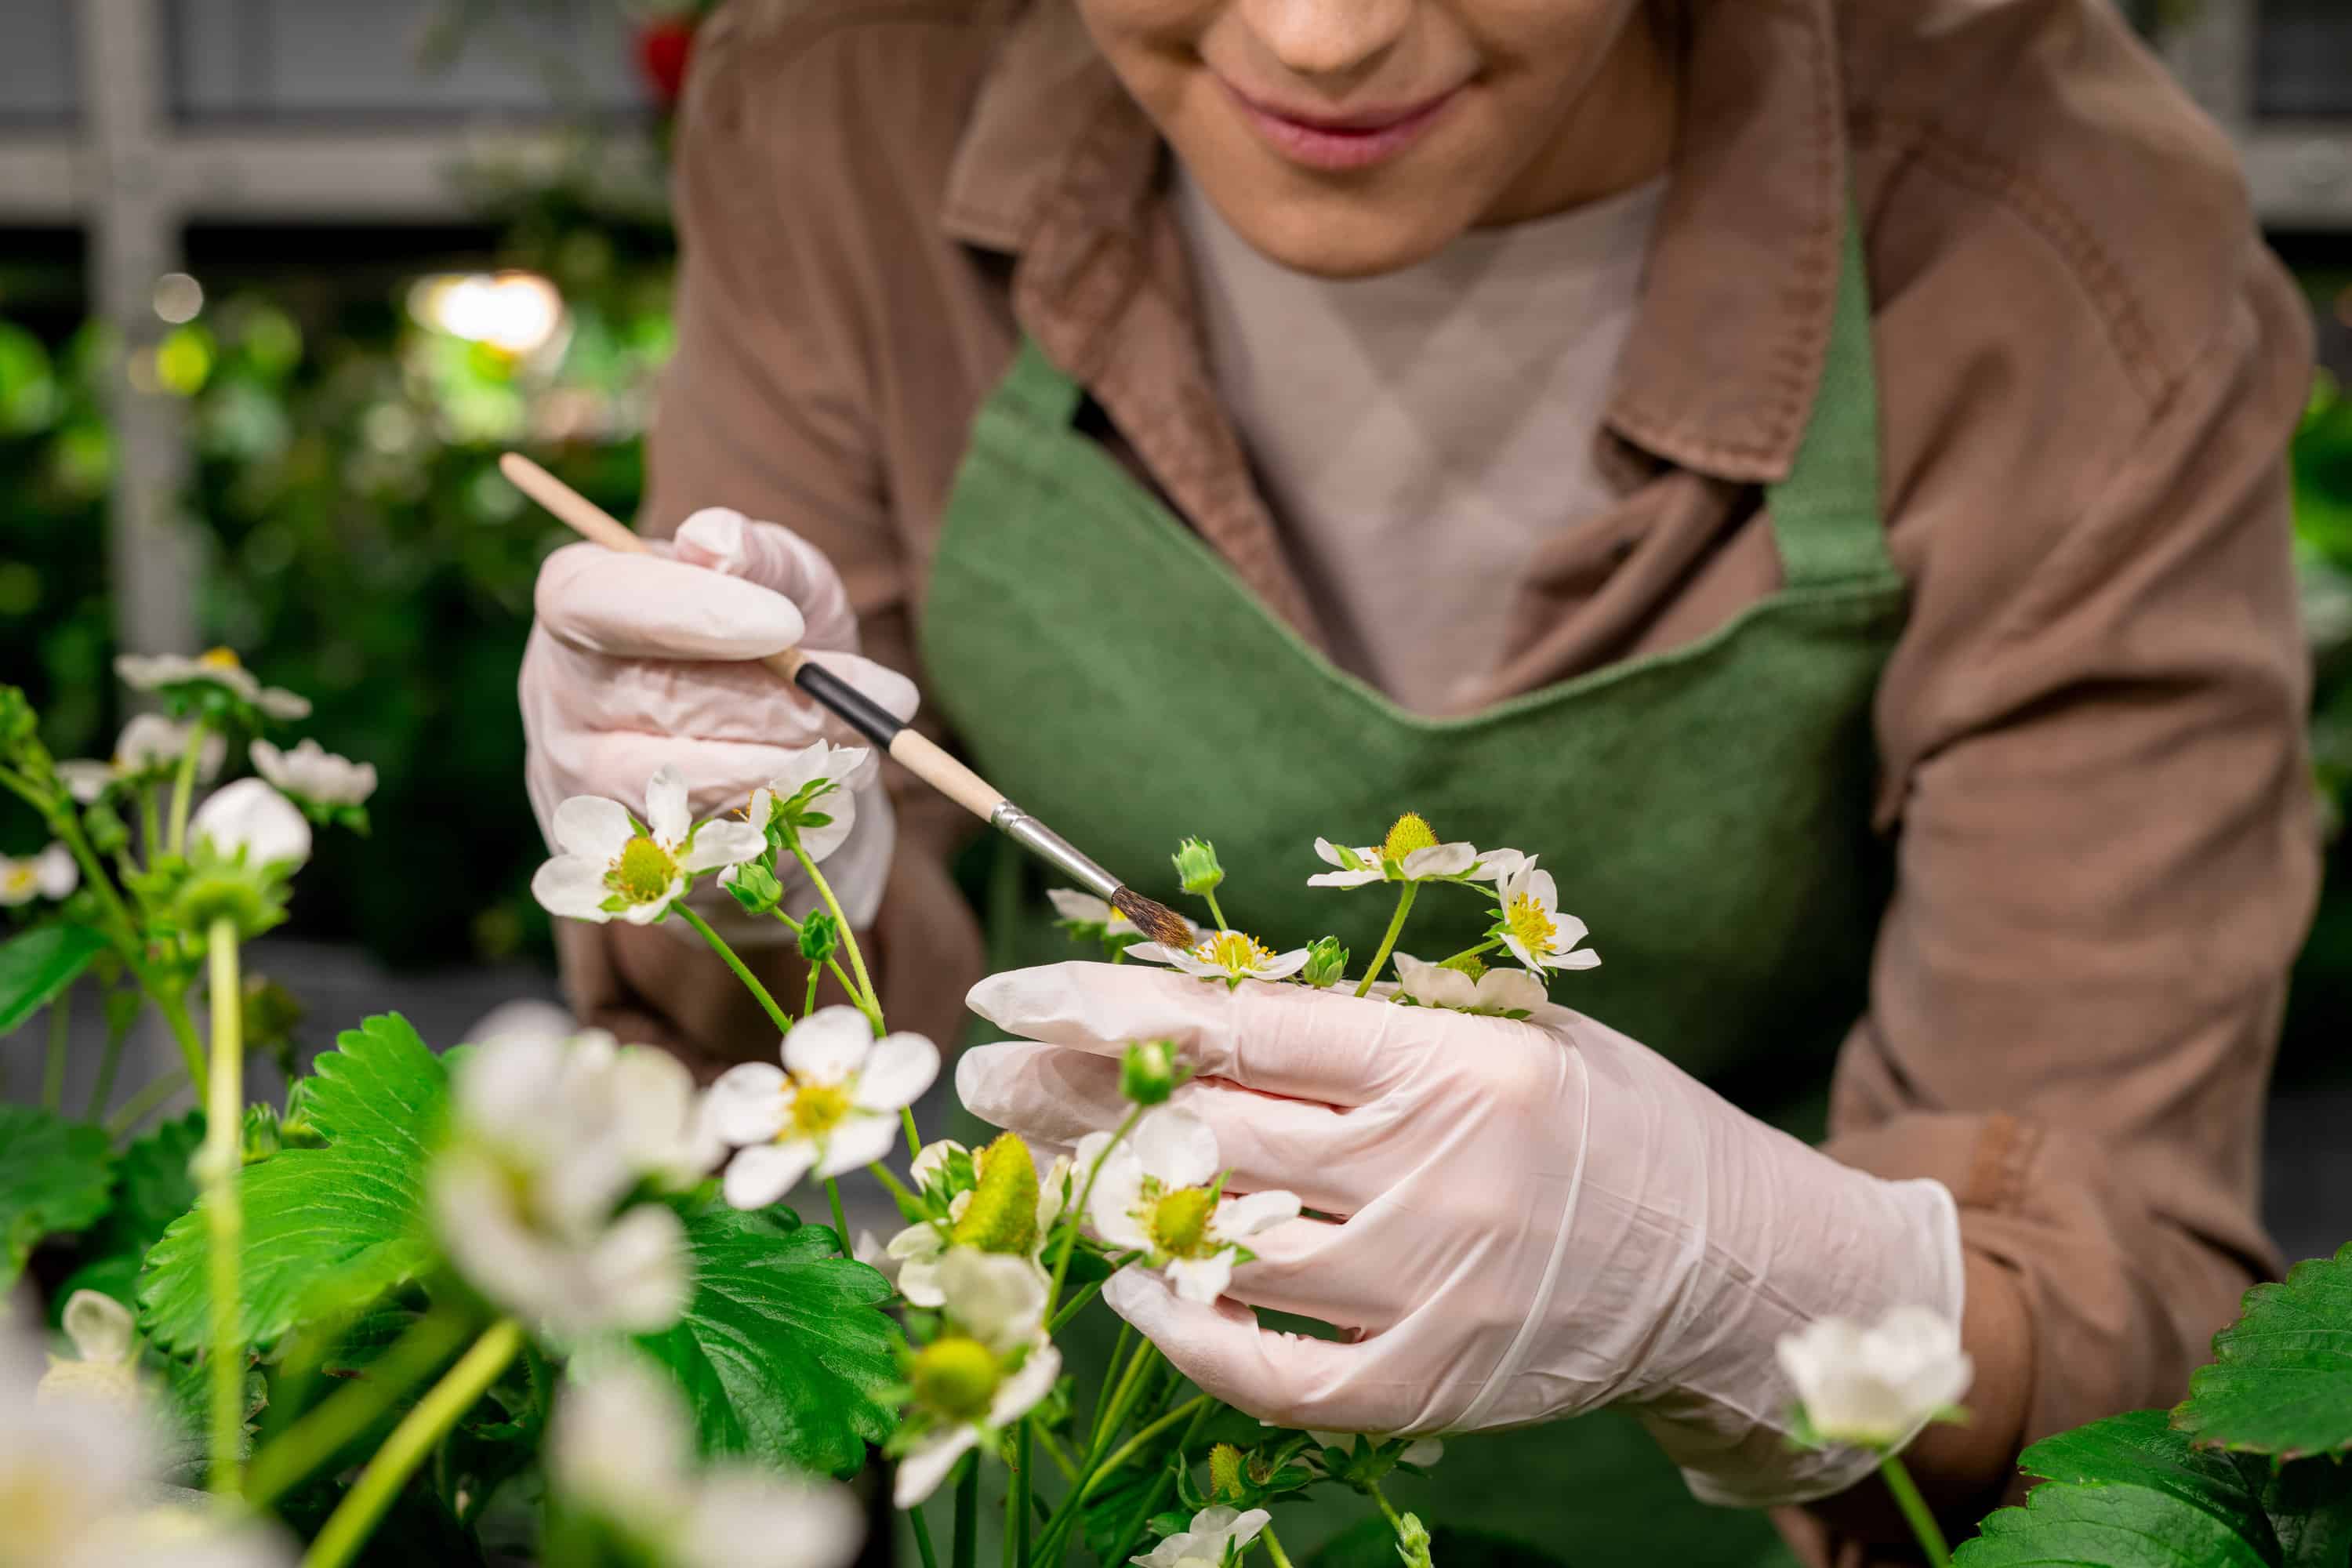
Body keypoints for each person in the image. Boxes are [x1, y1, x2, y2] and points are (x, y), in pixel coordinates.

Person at [519, 0, 2321, 1559]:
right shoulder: (852, 102)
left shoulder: (2059, 238)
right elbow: (771, 1180)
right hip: (1054, 1485)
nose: (1319, 37)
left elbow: (2133, 1323)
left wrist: (1754, 1284)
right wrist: (741, 864)